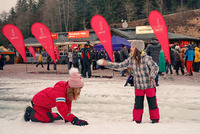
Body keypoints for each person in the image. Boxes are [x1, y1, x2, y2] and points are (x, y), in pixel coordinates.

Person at [98, 40, 160, 123]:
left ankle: (155, 119)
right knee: (138, 104)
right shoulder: (131, 59)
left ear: (137, 48)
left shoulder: (147, 59)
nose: (130, 48)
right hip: (138, 86)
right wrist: (107, 64)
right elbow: (120, 66)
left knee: (152, 103)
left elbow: (155, 67)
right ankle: (136, 119)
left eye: (132, 47)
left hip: (149, 85)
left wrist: (152, 76)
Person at [24, 68, 88, 126]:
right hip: (38, 103)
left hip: (46, 105)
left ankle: (47, 113)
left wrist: (68, 118)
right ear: (74, 88)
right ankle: (30, 112)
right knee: (48, 119)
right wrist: (74, 120)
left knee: (55, 117)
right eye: (79, 89)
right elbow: (62, 108)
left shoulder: (68, 91)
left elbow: (67, 106)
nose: (80, 91)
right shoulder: (60, 92)